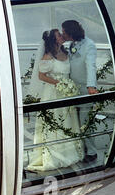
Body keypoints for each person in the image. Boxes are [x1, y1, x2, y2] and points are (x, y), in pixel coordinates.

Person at [26, 29, 84, 172]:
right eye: (59, 35)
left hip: (65, 93)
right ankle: (53, 157)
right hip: (53, 93)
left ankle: (69, 152)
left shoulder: (65, 53)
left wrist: (68, 86)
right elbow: (41, 76)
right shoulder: (48, 56)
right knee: (56, 122)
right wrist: (59, 83)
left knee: (67, 121)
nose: (62, 36)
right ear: (54, 39)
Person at [61, 20, 99, 163]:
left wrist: (91, 86)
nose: (63, 34)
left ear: (71, 32)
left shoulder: (89, 45)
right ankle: (79, 148)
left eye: (64, 31)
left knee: (85, 122)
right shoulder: (71, 45)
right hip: (71, 89)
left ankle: (92, 152)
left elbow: (91, 66)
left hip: (84, 88)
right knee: (75, 122)